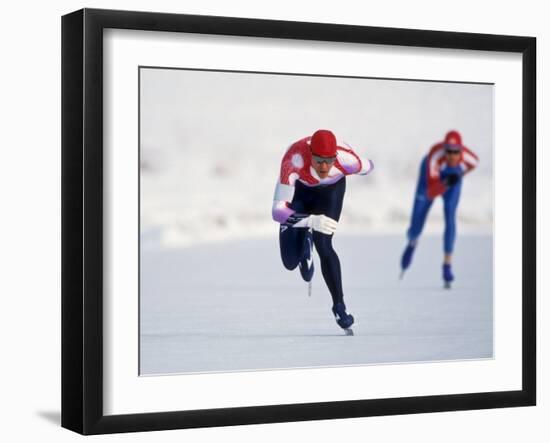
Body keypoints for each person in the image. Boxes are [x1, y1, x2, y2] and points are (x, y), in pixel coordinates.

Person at [272, 129, 374, 332]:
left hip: (330, 194)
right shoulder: (294, 160)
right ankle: (304, 244)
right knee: (290, 262)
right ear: (311, 154)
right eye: (319, 161)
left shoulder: (347, 160)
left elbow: (369, 166)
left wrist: (365, 165)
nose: (324, 167)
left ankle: (339, 307)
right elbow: (277, 212)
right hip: (300, 193)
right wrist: (309, 220)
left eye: (329, 161)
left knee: (324, 244)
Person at [400, 130, 479, 287]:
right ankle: (412, 242)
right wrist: (447, 183)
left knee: (450, 215)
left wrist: (458, 175)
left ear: (461, 151)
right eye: (448, 151)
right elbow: (431, 192)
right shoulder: (435, 157)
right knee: (417, 223)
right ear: (444, 149)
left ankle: (447, 264)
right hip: (430, 180)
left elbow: (473, 164)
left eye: (456, 152)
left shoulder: (469, 159)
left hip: (452, 179)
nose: (451, 155)